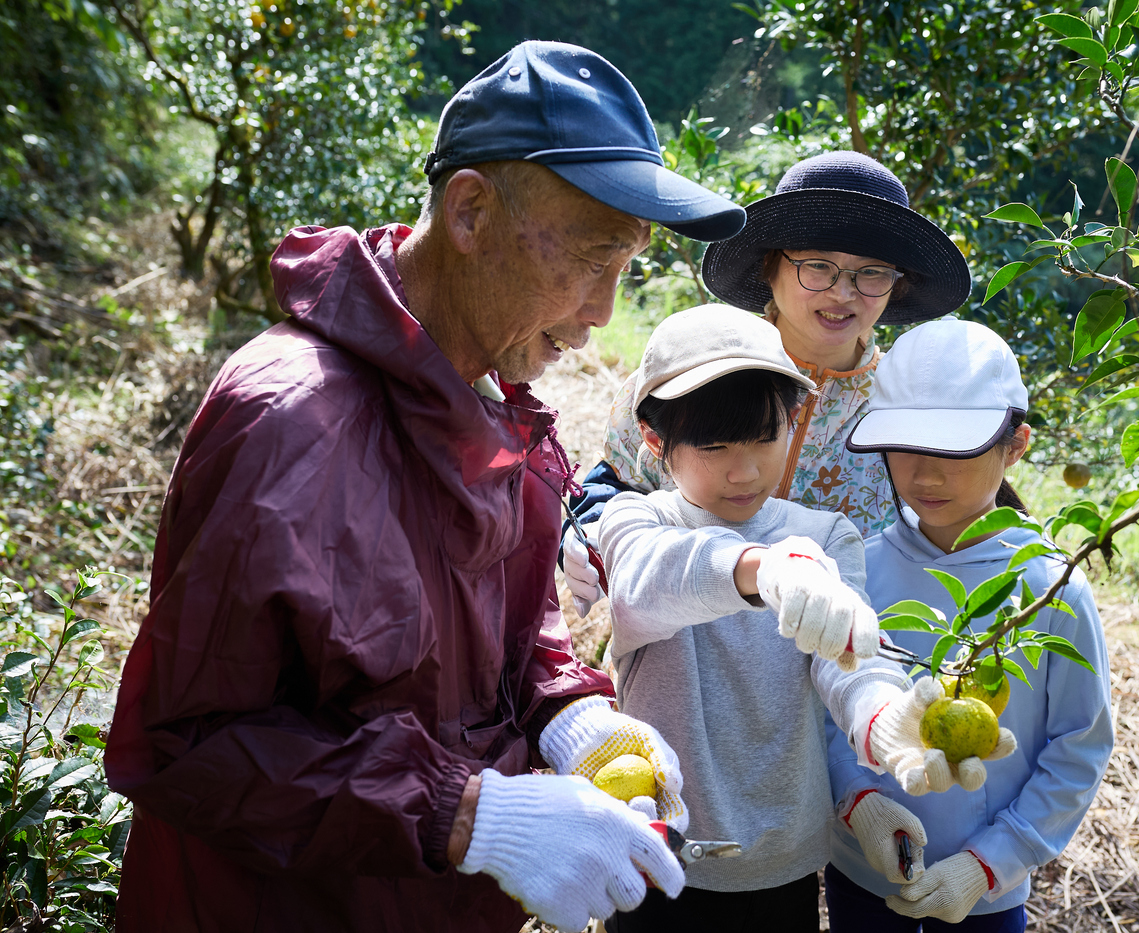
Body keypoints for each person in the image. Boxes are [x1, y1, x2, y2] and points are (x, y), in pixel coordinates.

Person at [103, 41, 749, 933]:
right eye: (593, 258)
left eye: (625, 268)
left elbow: (514, 635)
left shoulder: (493, 403)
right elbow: (189, 742)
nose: (604, 313)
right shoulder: (289, 420)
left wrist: (569, 716)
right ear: (472, 211)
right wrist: (466, 814)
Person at [597, 304, 958, 933]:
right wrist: (761, 569)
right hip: (659, 849)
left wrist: (880, 714)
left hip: (785, 862)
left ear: (794, 422)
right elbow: (642, 587)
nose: (745, 470)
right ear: (656, 443)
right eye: (713, 446)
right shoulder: (637, 521)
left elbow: (844, 660)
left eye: (766, 437)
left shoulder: (826, 537)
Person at [563, 150, 971, 619]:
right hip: (680, 658)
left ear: (896, 284)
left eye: (872, 272)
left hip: (831, 663)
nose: (843, 293)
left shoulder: (905, 407)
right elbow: (614, 484)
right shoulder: (691, 367)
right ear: (769, 267)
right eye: (818, 265)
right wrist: (585, 533)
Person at [824, 321, 1114, 931]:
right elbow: (827, 708)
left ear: (1017, 445)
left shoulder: (1047, 590)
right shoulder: (861, 570)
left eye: (956, 451)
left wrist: (987, 865)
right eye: (906, 446)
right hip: (861, 869)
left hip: (984, 893)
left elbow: (1077, 746)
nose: (926, 475)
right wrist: (862, 804)